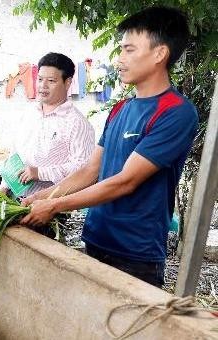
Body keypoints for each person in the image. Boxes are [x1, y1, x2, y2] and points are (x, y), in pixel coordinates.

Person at [20, 6, 198, 288]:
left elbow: (125, 182)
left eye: (129, 50)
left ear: (159, 54)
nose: (119, 60)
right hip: (96, 238)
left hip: (135, 254)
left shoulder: (175, 112)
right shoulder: (120, 109)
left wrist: (54, 204)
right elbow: (91, 169)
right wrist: (44, 197)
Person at [0, 52, 95, 201]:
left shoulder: (77, 123)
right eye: (40, 79)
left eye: (51, 80)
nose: (42, 86)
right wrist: (4, 186)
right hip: (14, 201)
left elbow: (84, 170)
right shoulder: (29, 113)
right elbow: (15, 154)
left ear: (68, 82)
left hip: (49, 208)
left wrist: (40, 172)